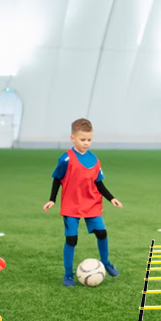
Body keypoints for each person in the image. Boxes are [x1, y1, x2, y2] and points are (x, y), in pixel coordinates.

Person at [43, 118, 122, 287]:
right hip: (71, 206)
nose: (86, 143)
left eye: (89, 140)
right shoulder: (66, 159)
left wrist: (112, 198)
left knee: (102, 233)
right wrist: (52, 199)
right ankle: (68, 274)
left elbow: (98, 183)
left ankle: (106, 262)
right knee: (71, 239)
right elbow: (57, 179)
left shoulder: (95, 160)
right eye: (82, 140)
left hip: (91, 204)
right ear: (73, 138)